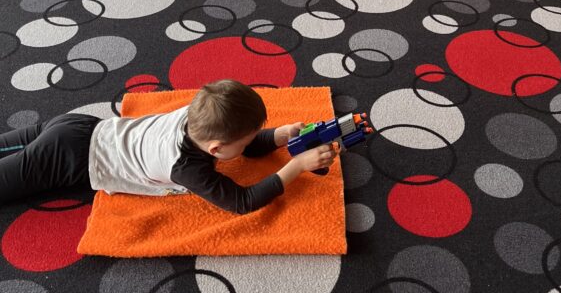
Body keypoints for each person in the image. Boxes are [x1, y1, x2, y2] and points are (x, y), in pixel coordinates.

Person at [0, 80, 336, 213]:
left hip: (78, 126)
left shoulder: (197, 114)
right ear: (215, 149)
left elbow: (241, 146)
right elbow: (241, 202)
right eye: (249, 138)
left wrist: (281, 135)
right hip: (68, 157)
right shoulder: (187, 167)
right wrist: (296, 166)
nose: (252, 142)